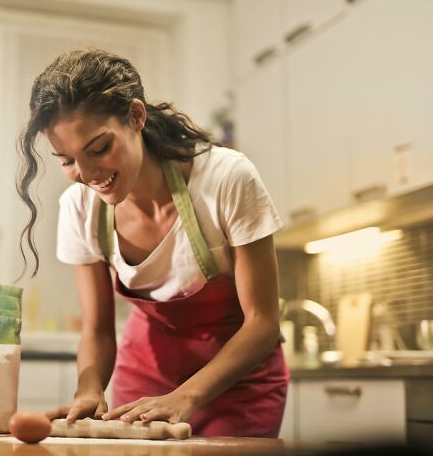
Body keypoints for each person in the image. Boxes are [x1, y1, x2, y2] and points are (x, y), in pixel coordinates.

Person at [16, 49, 289, 437]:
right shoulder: (80, 208)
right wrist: (89, 389)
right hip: (142, 383)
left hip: (238, 386)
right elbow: (96, 330)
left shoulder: (226, 180)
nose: (87, 173)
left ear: (136, 116)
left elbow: (262, 323)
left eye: (98, 149)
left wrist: (186, 397)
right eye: (67, 161)